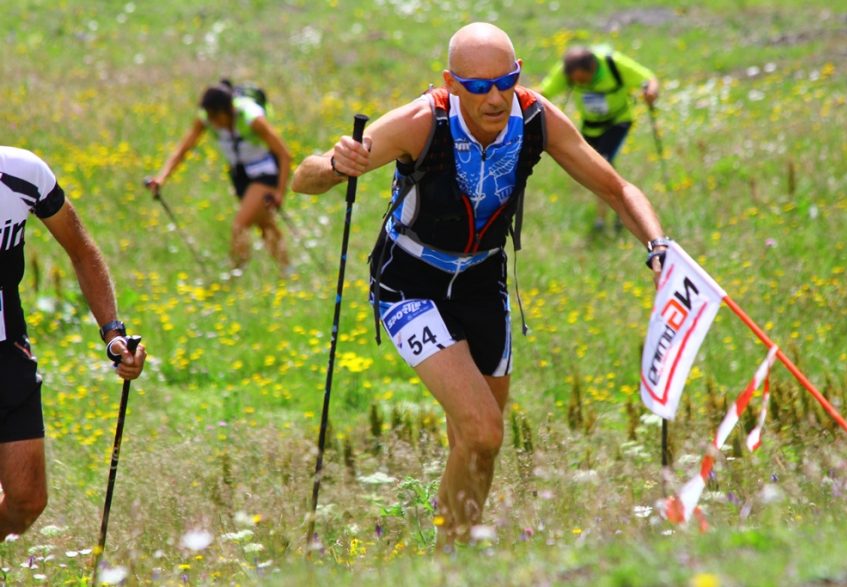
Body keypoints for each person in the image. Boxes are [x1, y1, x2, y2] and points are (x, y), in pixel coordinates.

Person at [292, 23, 669, 548]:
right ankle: (446, 559)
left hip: (483, 280)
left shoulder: (535, 117)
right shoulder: (420, 122)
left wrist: (658, 247)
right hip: (410, 281)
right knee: (483, 429)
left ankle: (460, 555)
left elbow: (617, 187)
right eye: (476, 86)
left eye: (505, 81)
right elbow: (301, 179)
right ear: (450, 83)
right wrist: (335, 165)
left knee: (476, 444)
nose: (494, 97)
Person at [0, 146, 146, 539]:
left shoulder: (21, 172)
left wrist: (113, 336)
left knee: (27, 501)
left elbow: (81, 250)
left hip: (7, 352)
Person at [146, 81, 293, 274]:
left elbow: (285, 155)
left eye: (217, 117)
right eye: (210, 117)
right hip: (241, 176)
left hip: (265, 173)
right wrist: (161, 178)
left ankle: (235, 274)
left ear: (229, 110)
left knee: (240, 225)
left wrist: (280, 192)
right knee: (265, 224)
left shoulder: (252, 119)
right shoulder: (207, 118)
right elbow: (183, 150)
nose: (214, 123)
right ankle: (288, 270)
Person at [539, 45, 660, 233]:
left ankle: (605, 218)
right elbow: (543, 92)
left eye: (583, 79)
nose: (582, 84)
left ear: (593, 68)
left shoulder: (613, 63)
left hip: (617, 121)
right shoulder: (567, 70)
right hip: (590, 126)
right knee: (598, 168)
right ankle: (622, 207)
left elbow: (648, 78)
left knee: (603, 162)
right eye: (576, 81)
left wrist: (651, 92)